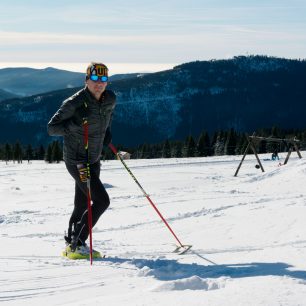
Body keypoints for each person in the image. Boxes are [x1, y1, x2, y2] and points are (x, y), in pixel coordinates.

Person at [47, 62, 116, 255]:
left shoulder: (110, 99)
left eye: (103, 79)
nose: (99, 83)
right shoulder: (75, 103)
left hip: (93, 159)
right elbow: (51, 128)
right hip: (77, 160)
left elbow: (108, 117)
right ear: (86, 80)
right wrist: (75, 124)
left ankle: (71, 239)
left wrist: (107, 133)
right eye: (94, 79)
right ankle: (78, 242)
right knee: (102, 201)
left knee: (82, 203)